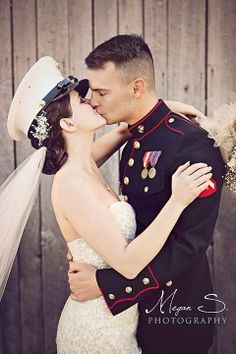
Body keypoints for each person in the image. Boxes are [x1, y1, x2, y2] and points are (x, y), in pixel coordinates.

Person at [0, 56, 213, 354]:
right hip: (96, 330)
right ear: (67, 122)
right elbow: (126, 262)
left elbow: (125, 130)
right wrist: (177, 201)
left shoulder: (84, 164)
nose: (93, 102)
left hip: (120, 320)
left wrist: (160, 110)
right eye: (82, 100)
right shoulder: (72, 182)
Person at [67, 34, 227, 354]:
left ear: (136, 87)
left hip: (174, 315)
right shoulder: (134, 138)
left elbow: (188, 246)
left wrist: (107, 285)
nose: (93, 101)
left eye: (101, 92)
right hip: (131, 317)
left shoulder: (193, 145)